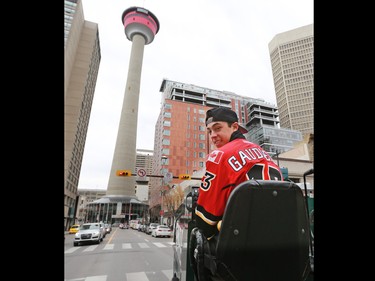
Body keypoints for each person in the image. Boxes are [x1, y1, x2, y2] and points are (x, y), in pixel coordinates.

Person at [195, 107, 284, 240]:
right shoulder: (263, 153)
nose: (212, 135)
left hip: (245, 241)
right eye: (209, 131)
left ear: (235, 127)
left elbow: (206, 219)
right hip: (280, 234)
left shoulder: (219, 155)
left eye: (218, 128)